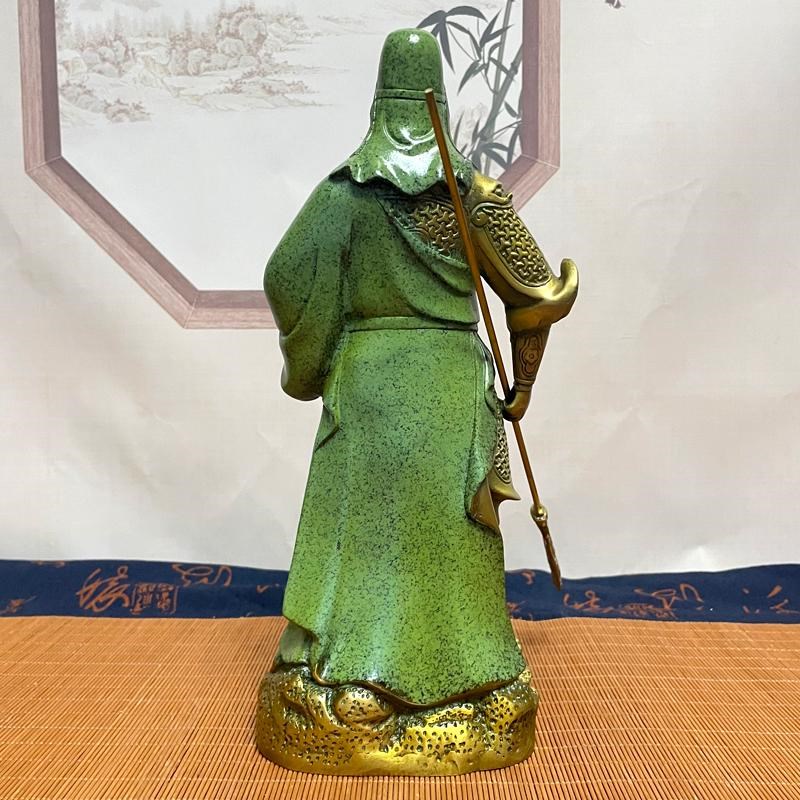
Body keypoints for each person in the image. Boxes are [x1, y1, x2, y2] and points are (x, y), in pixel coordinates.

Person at [257, 28, 577, 776]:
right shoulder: (475, 197)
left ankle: (352, 674)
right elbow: (537, 300)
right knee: (451, 535)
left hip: (367, 384)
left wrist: (317, 349)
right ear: (439, 98)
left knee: (365, 535)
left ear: (379, 99)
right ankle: (473, 677)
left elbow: (286, 275)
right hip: (453, 387)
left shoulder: (341, 196)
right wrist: (522, 386)